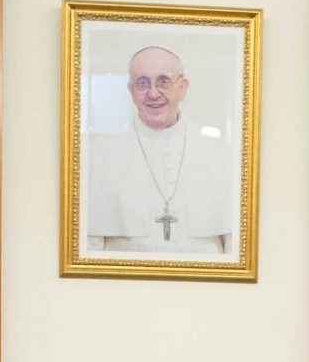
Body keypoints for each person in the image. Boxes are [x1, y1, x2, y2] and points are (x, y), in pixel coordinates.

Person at [82, 46, 239, 256]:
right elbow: (89, 244)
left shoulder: (219, 153)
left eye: (164, 81)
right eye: (143, 83)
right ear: (131, 91)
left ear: (182, 87)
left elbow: (235, 242)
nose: (153, 94)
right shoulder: (100, 154)